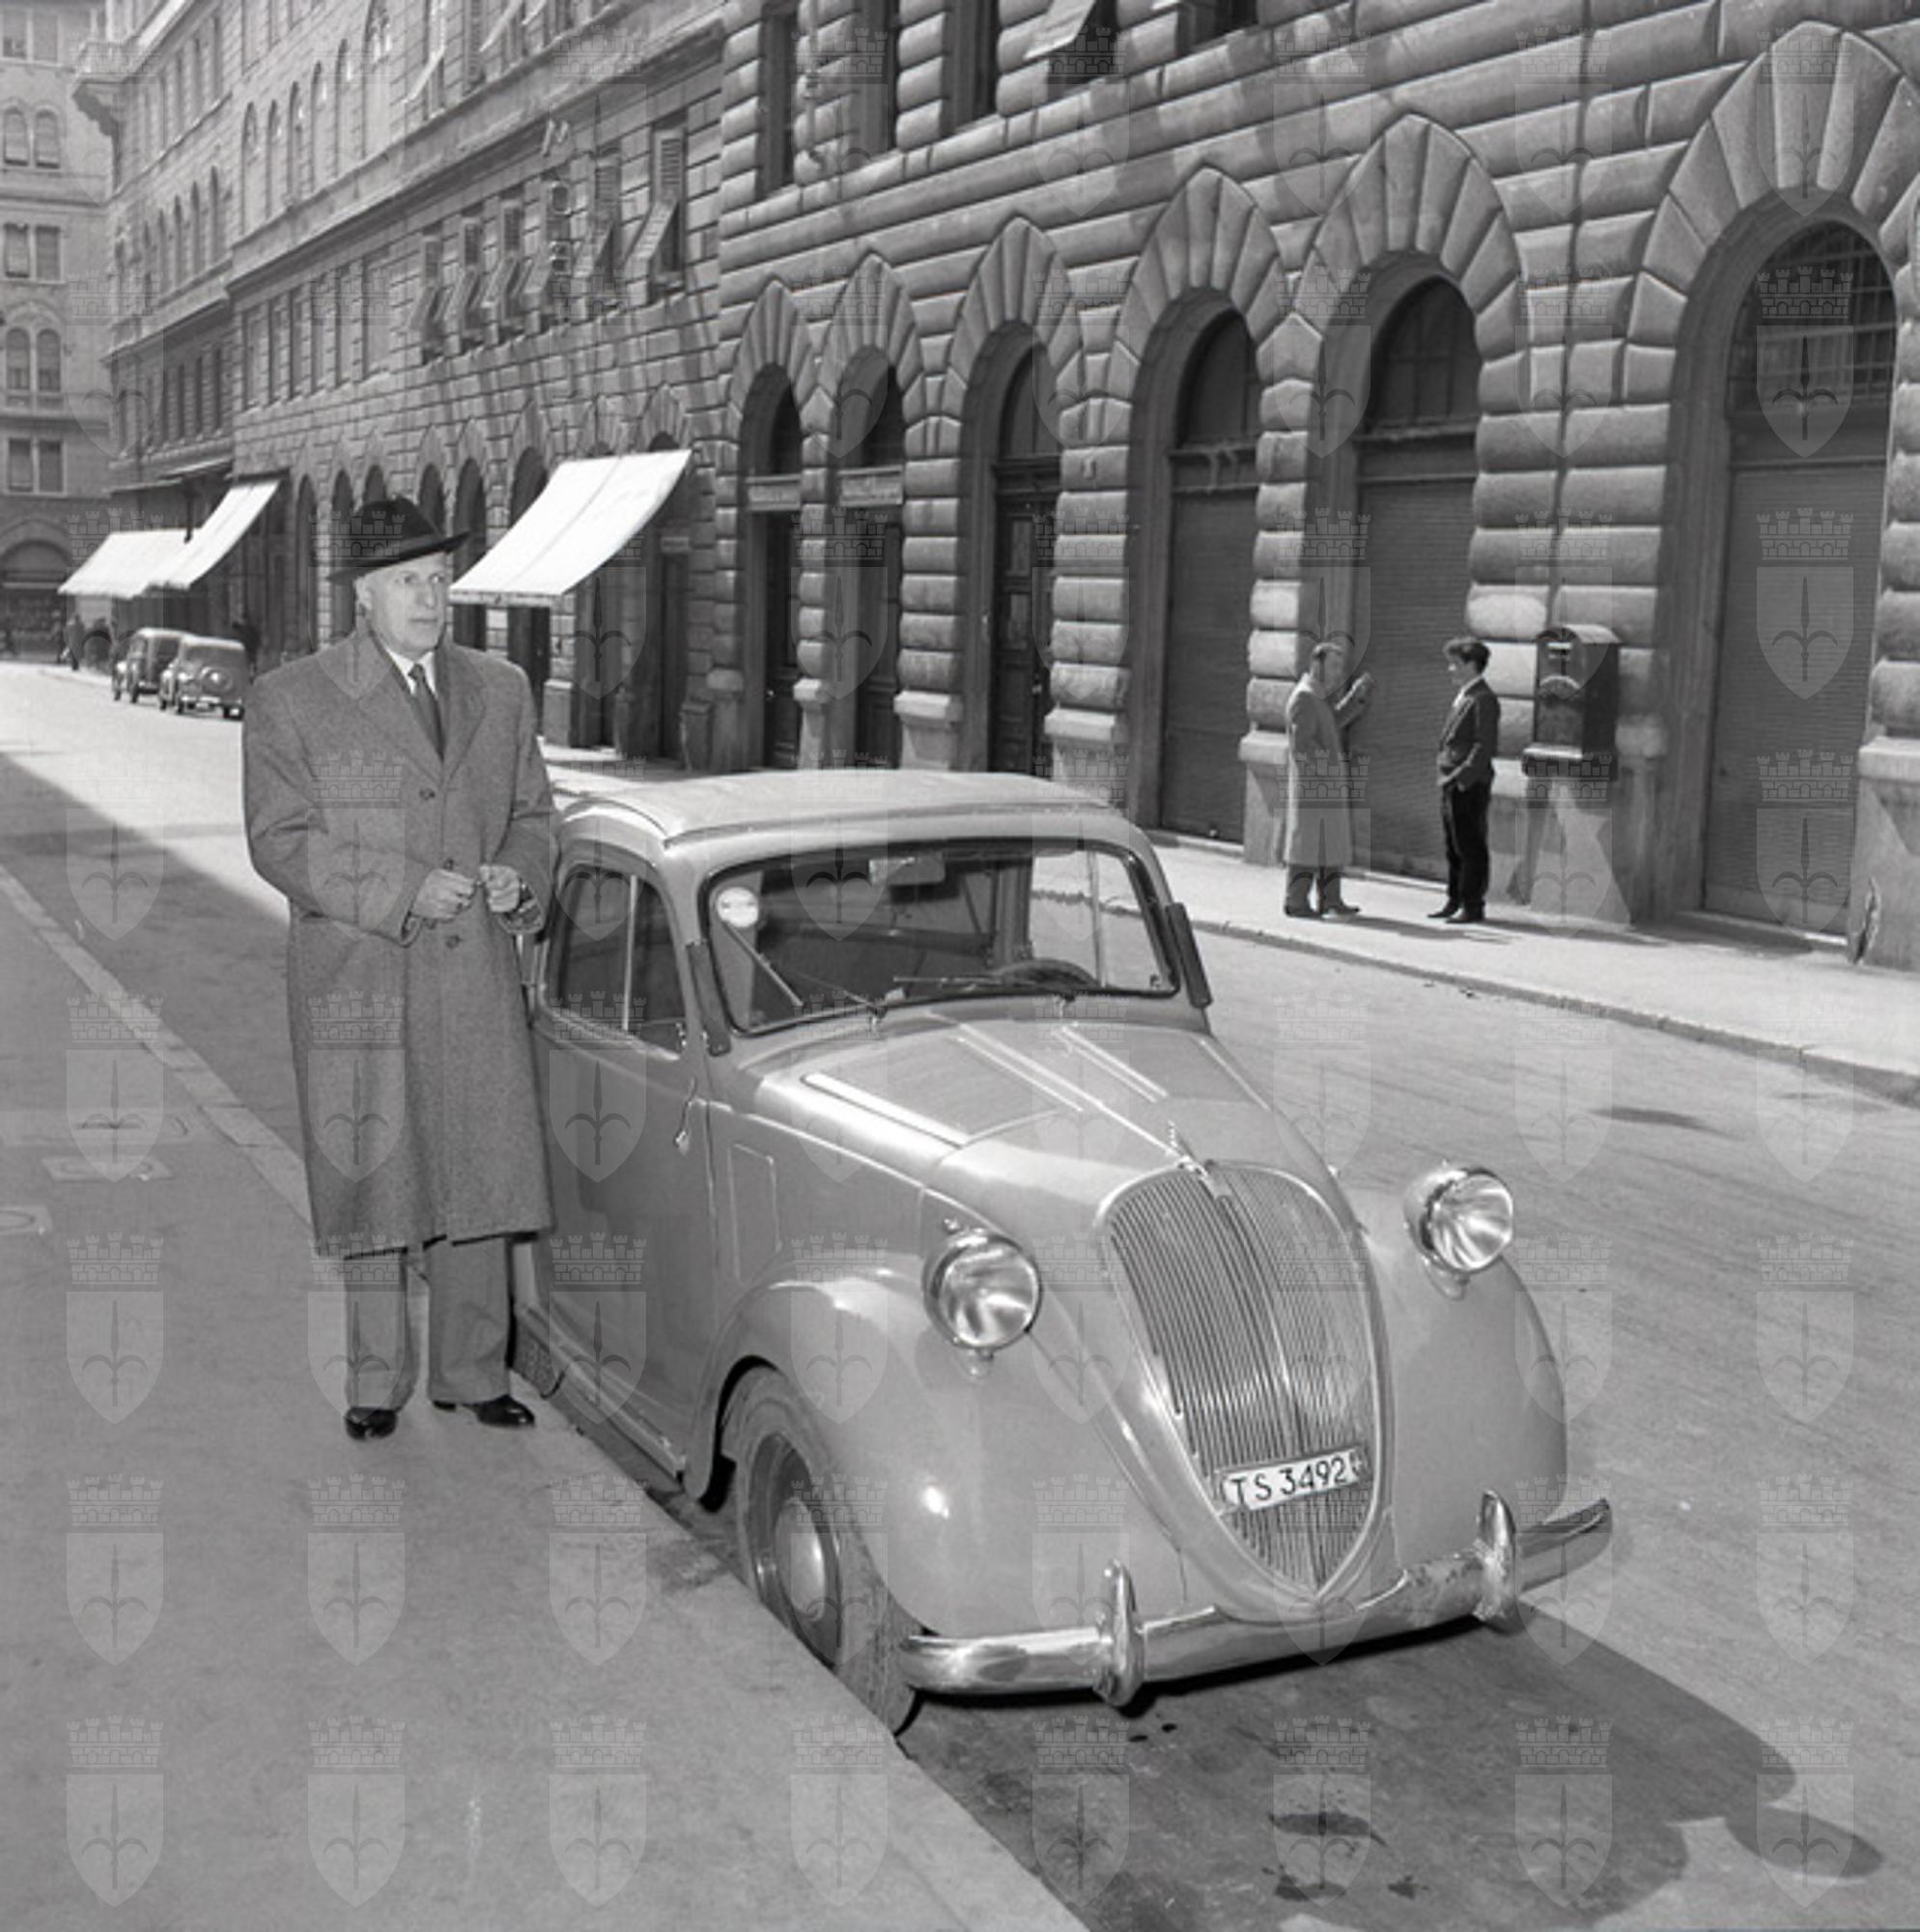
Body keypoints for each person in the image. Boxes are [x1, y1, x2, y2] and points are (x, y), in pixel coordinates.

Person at [243, 497, 555, 1442]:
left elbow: (534, 816)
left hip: (473, 975)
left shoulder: (501, 688)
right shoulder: (291, 699)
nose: (430, 597)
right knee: (377, 1179)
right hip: (362, 978)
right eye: (408, 581)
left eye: (439, 578)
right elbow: (279, 840)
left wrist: (519, 877)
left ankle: (473, 1371)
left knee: (478, 1172)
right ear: (363, 595)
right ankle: (376, 1382)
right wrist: (402, 888)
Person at [1284, 639, 1372, 918]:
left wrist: (1355, 698)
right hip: (1313, 787)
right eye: (1333, 666)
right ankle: (1296, 901)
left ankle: (1331, 899)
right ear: (1316, 664)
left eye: (1339, 667)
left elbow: (1332, 723)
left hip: (1326, 787)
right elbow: (1303, 746)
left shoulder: (1317, 696)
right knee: (1306, 846)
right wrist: (1329, 771)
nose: (1337, 673)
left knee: (1331, 844)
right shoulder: (1304, 697)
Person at [1433, 635, 1501, 924]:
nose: (1450, 669)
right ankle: (1454, 899)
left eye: (1455, 664)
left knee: (1470, 845)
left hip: (1468, 783)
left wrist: (1462, 778)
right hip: (1450, 779)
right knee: (1453, 845)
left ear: (1472, 665)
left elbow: (1484, 745)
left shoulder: (1483, 698)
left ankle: (1472, 904)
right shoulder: (1465, 695)